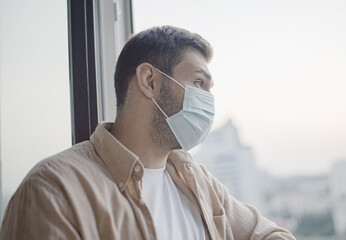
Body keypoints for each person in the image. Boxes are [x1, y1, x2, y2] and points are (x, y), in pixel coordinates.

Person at [0, 26, 295, 240]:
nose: (209, 100)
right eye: (199, 83)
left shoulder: (194, 179)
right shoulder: (55, 191)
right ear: (149, 81)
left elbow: (269, 234)